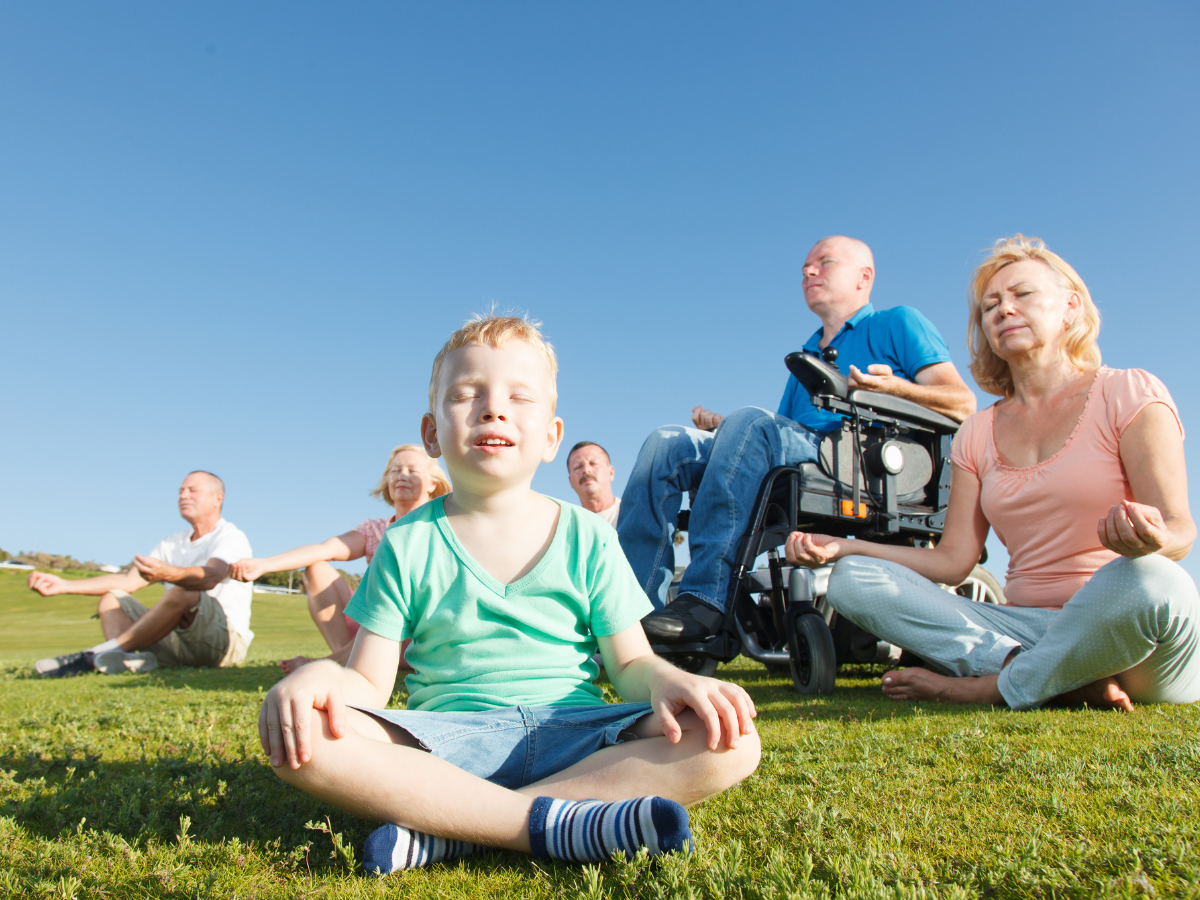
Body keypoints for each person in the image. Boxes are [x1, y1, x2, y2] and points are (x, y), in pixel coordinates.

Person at [258, 315, 760, 874]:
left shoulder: (589, 536)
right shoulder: (407, 541)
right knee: (302, 740)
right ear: (431, 434)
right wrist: (317, 678)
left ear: (551, 436)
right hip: (446, 743)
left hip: (577, 734)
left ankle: (454, 830)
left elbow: (632, 662)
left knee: (731, 741)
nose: (493, 409)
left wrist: (672, 680)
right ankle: (554, 825)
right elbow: (368, 683)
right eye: (466, 394)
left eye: (519, 397)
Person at [786, 235, 1200, 712]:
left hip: (1125, 628)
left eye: (1021, 294)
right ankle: (1041, 674)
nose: (1003, 310)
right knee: (852, 580)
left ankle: (988, 687)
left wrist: (1150, 540)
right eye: (990, 306)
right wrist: (845, 548)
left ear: (1070, 307)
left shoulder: (1130, 392)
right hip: (1025, 630)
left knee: (1153, 580)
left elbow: (1180, 530)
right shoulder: (977, 432)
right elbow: (952, 562)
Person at [621, 235, 976, 644]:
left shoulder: (897, 323)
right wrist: (728, 431)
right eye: (806, 267)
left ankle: (705, 598)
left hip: (862, 461)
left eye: (824, 263)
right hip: (803, 453)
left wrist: (895, 388)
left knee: (751, 422)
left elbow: (962, 403)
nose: (809, 271)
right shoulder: (807, 354)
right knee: (667, 443)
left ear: (864, 277)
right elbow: (778, 431)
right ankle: (633, 614)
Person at [228, 445, 450, 673]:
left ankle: (337, 662)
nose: (402, 476)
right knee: (316, 570)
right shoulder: (375, 530)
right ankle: (347, 659)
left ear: (432, 483)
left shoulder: (441, 524)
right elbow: (327, 548)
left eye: (412, 471)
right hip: (371, 627)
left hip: (418, 633)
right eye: (395, 471)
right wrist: (263, 565)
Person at [28, 471, 254, 677]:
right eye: (180, 491)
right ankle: (124, 659)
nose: (183, 496)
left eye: (193, 491)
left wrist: (168, 573)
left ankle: (94, 656)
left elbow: (210, 576)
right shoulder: (171, 543)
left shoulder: (230, 537)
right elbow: (128, 581)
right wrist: (64, 585)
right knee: (112, 597)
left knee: (186, 589)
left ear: (218, 499)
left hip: (222, 645)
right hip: (177, 642)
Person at [566, 441, 620, 528]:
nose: (586, 470)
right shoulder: (568, 529)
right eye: (578, 467)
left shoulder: (634, 513)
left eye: (594, 463)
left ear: (611, 472)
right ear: (570, 481)